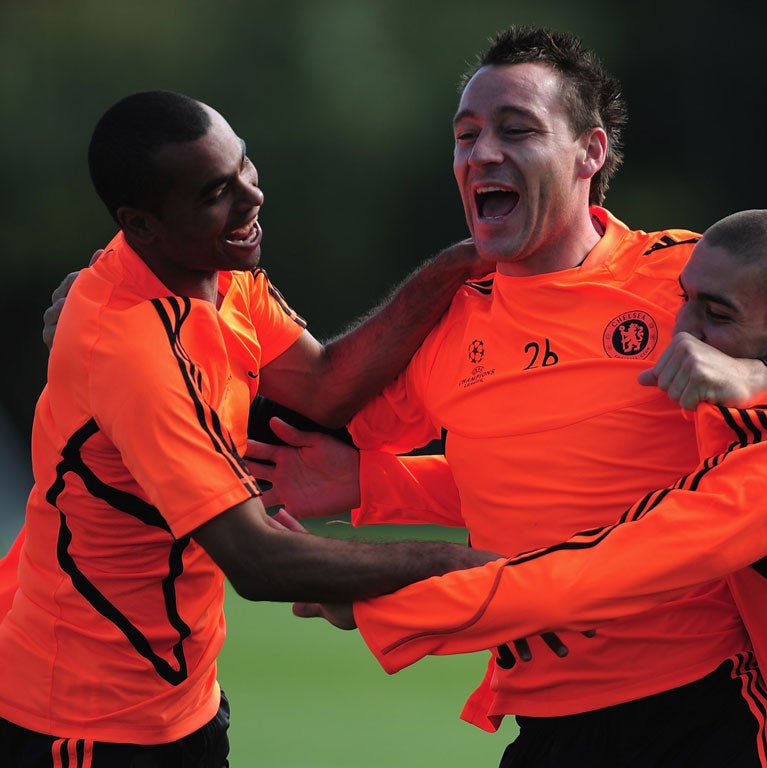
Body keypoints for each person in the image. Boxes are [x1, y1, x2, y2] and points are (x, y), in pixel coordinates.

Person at [249, 26, 767, 766]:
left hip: (701, 711)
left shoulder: (690, 282)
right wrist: (367, 482)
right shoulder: (447, 322)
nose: (481, 152)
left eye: (516, 129)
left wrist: (758, 379)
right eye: (465, 135)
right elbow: (525, 469)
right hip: (542, 721)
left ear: (589, 153)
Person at [304, 209, 767, 767]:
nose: (681, 331)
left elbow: (599, 570)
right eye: (685, 301)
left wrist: (379, 605)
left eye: (716, 314)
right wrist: (379, 483)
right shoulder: (739, 423)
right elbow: (582, 480)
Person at [0, 90, 497, 767]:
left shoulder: (214, 272)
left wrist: (462, 264)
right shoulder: (135, 352)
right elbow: (256, 560)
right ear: (141, 226)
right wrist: (461, 567)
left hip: (180, 705)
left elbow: (323, 386)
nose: (251, 199)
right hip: (81, 723)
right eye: (216, 192)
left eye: (245, 168)